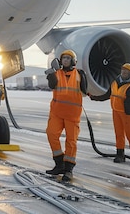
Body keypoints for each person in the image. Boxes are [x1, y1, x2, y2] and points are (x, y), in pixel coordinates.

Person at [45, 49, 88, 182]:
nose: (65, 60)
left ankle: (68, 169)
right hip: (57, 112)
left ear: (73, 61)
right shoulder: (56, 73)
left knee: (71, 141)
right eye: (64, 58)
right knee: (51, 134)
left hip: (72, 115)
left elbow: (85, 91)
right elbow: (52, 85)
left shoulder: (80, 74)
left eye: (68, 58)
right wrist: (51, 75)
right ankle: (59, 163)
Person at [89, 63, 130, 163]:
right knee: (119, 133)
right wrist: (94, 97)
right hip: (116, 112)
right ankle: (120, 154)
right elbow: (107, 95)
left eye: (127, 71)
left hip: (127, 114)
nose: (124, 72)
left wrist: (129, 112)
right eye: (123, 70)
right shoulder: (114, 83)